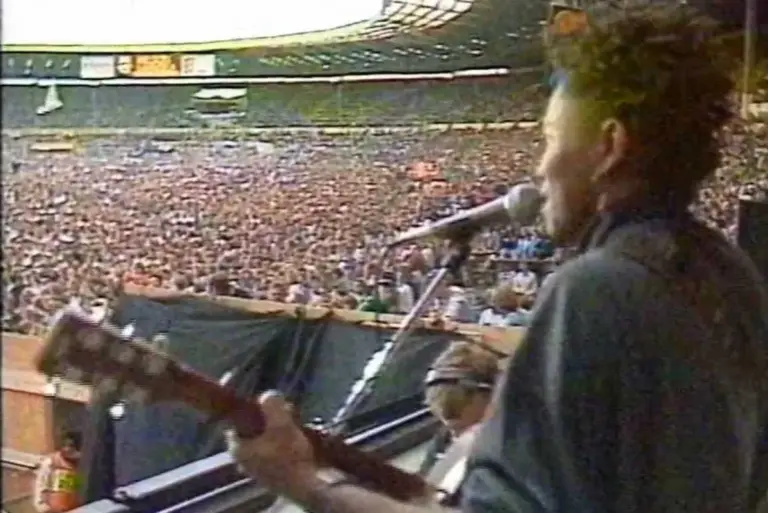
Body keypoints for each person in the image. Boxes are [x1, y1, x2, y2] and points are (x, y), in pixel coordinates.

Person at [227, 3, 768, 513]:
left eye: (550, 139)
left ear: (610, 146)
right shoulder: (729, 269)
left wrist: (302, 482)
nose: (541, 168)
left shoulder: (599, 287)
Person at [417, 341, 499, 480]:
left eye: (466, 429)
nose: (457, 437)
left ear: (493, 397)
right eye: (451, 429)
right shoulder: (443, 442)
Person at [33, 430, 82, 513]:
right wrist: (44, 508)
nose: (68, 449)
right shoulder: (51, 463)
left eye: (72, 446)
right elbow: (40, 487)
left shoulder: (81, 465)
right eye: (65, 445)